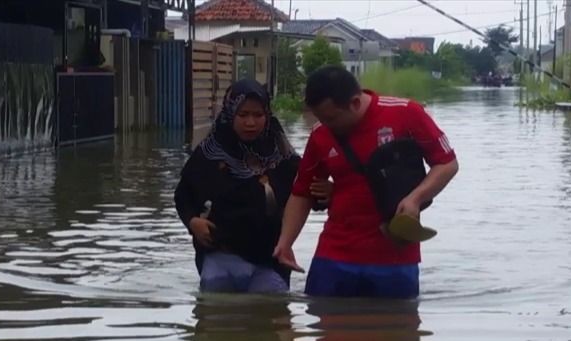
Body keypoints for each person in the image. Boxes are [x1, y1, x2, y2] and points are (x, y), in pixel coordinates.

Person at [273, 66, 459, 299]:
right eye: (320, 118)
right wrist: (286, 241)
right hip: (334, 256)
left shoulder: (406, 113)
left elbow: (447, 164)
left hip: (394, 257)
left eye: (331, 118)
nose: (326, 125)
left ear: (354, 103)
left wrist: (415, 198)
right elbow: (302, 192)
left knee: (398, 332)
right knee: (324, 328)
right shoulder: (321, 134)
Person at [175, 79, 330, 294]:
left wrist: (328, 193)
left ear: (267, 115)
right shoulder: (209, 154)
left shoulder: (284, 158)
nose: (251, 122)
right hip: (220, 253)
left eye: (258, 115)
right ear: (230, 113)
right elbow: (184, 195)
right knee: (215, 302)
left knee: (269, 301)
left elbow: (308, 195)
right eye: (243, 115)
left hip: (270, 258)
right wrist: (192, 221)